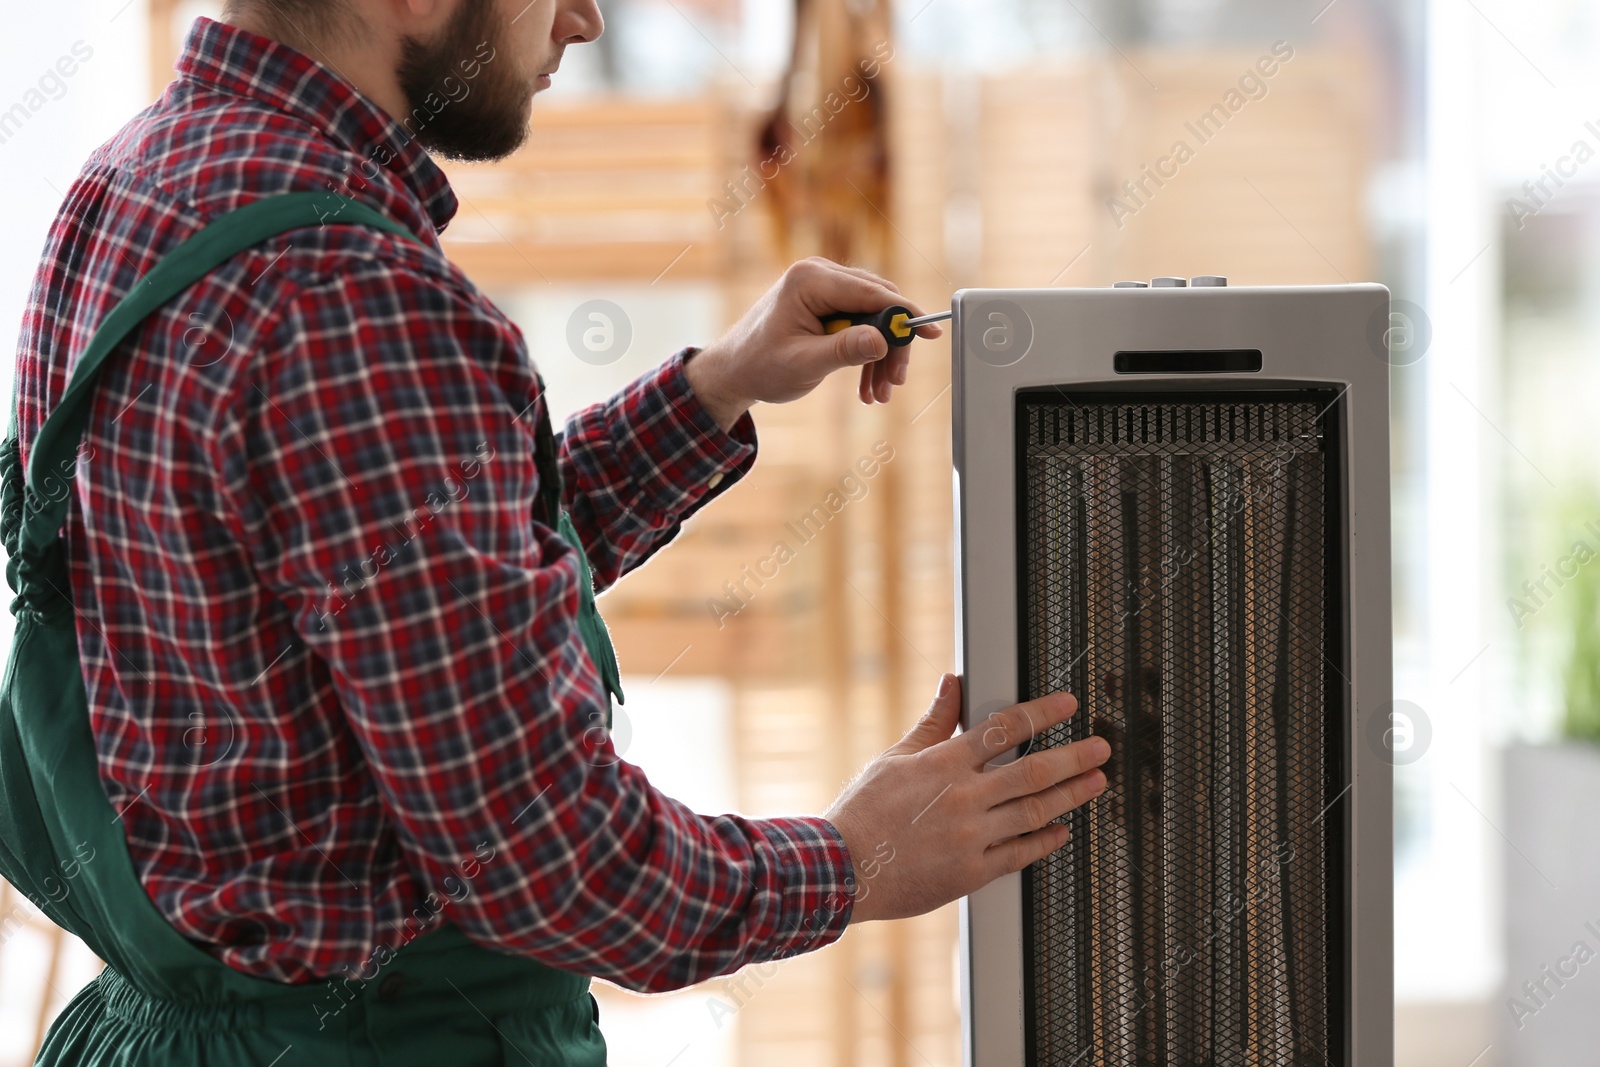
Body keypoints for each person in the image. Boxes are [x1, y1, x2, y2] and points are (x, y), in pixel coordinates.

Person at [10, 0, 1111, 1061]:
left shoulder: (132, 185)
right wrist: (856, 858)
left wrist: (713, 389)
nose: (583, 19)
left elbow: (404, 596)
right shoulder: (352, 297)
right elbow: (548, 859)